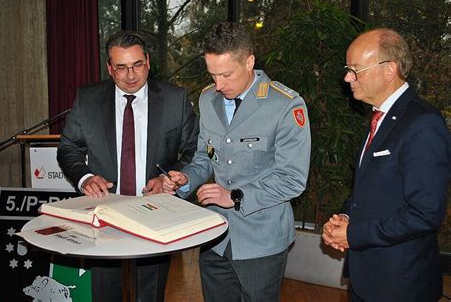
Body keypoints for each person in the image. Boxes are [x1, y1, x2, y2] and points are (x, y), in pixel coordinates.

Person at [161, 22, 311, 301]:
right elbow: (205, 157)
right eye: (213, 75)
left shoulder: (285, 105)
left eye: (226, 75)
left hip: (261, 241)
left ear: (250, 61)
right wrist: (186, 179)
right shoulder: (208, 99)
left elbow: (292, 179)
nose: (219, 85)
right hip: (215, 238)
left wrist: (236, 196)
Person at [57, 30, 199, 302]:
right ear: (109, 68)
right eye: (121, 68)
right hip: (104, 208)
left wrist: (169, 177)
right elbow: (68, 147)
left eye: (137, 65)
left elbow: (194, 150)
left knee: (151, 291)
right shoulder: (88, 99)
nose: (131, 75)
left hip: (156, 209)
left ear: (147, 61)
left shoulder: (174, 99)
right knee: (104, 290)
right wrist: (85, 177)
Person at [322, 28, 450, 301]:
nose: (347, 78)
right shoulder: (380, 118)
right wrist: (345, 217)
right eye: (348, 69)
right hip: (365, 276)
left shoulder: (422, 123)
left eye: (355, 69)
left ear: (389, 69)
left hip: (399, 284)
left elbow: (425, 213)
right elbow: (368, 187)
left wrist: (354, 235)